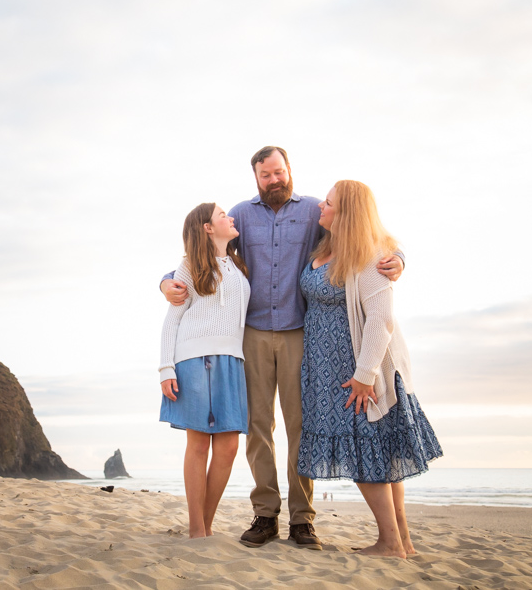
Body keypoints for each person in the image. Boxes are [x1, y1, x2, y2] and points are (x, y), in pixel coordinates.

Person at [161, 147, 404, 549]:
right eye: (265, 175)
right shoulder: (239, 214)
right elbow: (206, 253)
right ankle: (265, 513)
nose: (274, 180)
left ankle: (302, 519)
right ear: (255, 177)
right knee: (258, 427)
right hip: (251, 335)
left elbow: (366, 236)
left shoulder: (314, 211)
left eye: (279, 172)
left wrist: (399, 258)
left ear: (289, 170)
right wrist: (167, 279)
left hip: (298, 332)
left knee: (300, 426)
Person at [298, 180, 442, 557]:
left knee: (367, 451)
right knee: (377, 452)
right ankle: (401, 541)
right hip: (327, 369)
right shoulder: (327, 245)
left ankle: (391, 541)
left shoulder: (370, 255)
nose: (320, 209)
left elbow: (381, 320)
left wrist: (365, 376)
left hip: (356, 370)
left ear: (346, 214)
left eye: (328, 204)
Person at [159, 202, 251, 539]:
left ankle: (206, 523)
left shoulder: (238, 263)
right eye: (222, 215)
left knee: (228, 448)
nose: (231, 217)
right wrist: (165, 368)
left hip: (233, 360)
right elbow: (173, 319)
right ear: (208, 228)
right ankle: (198, 529)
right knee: (198, 446)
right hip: (194, 359)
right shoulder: (188, 267)